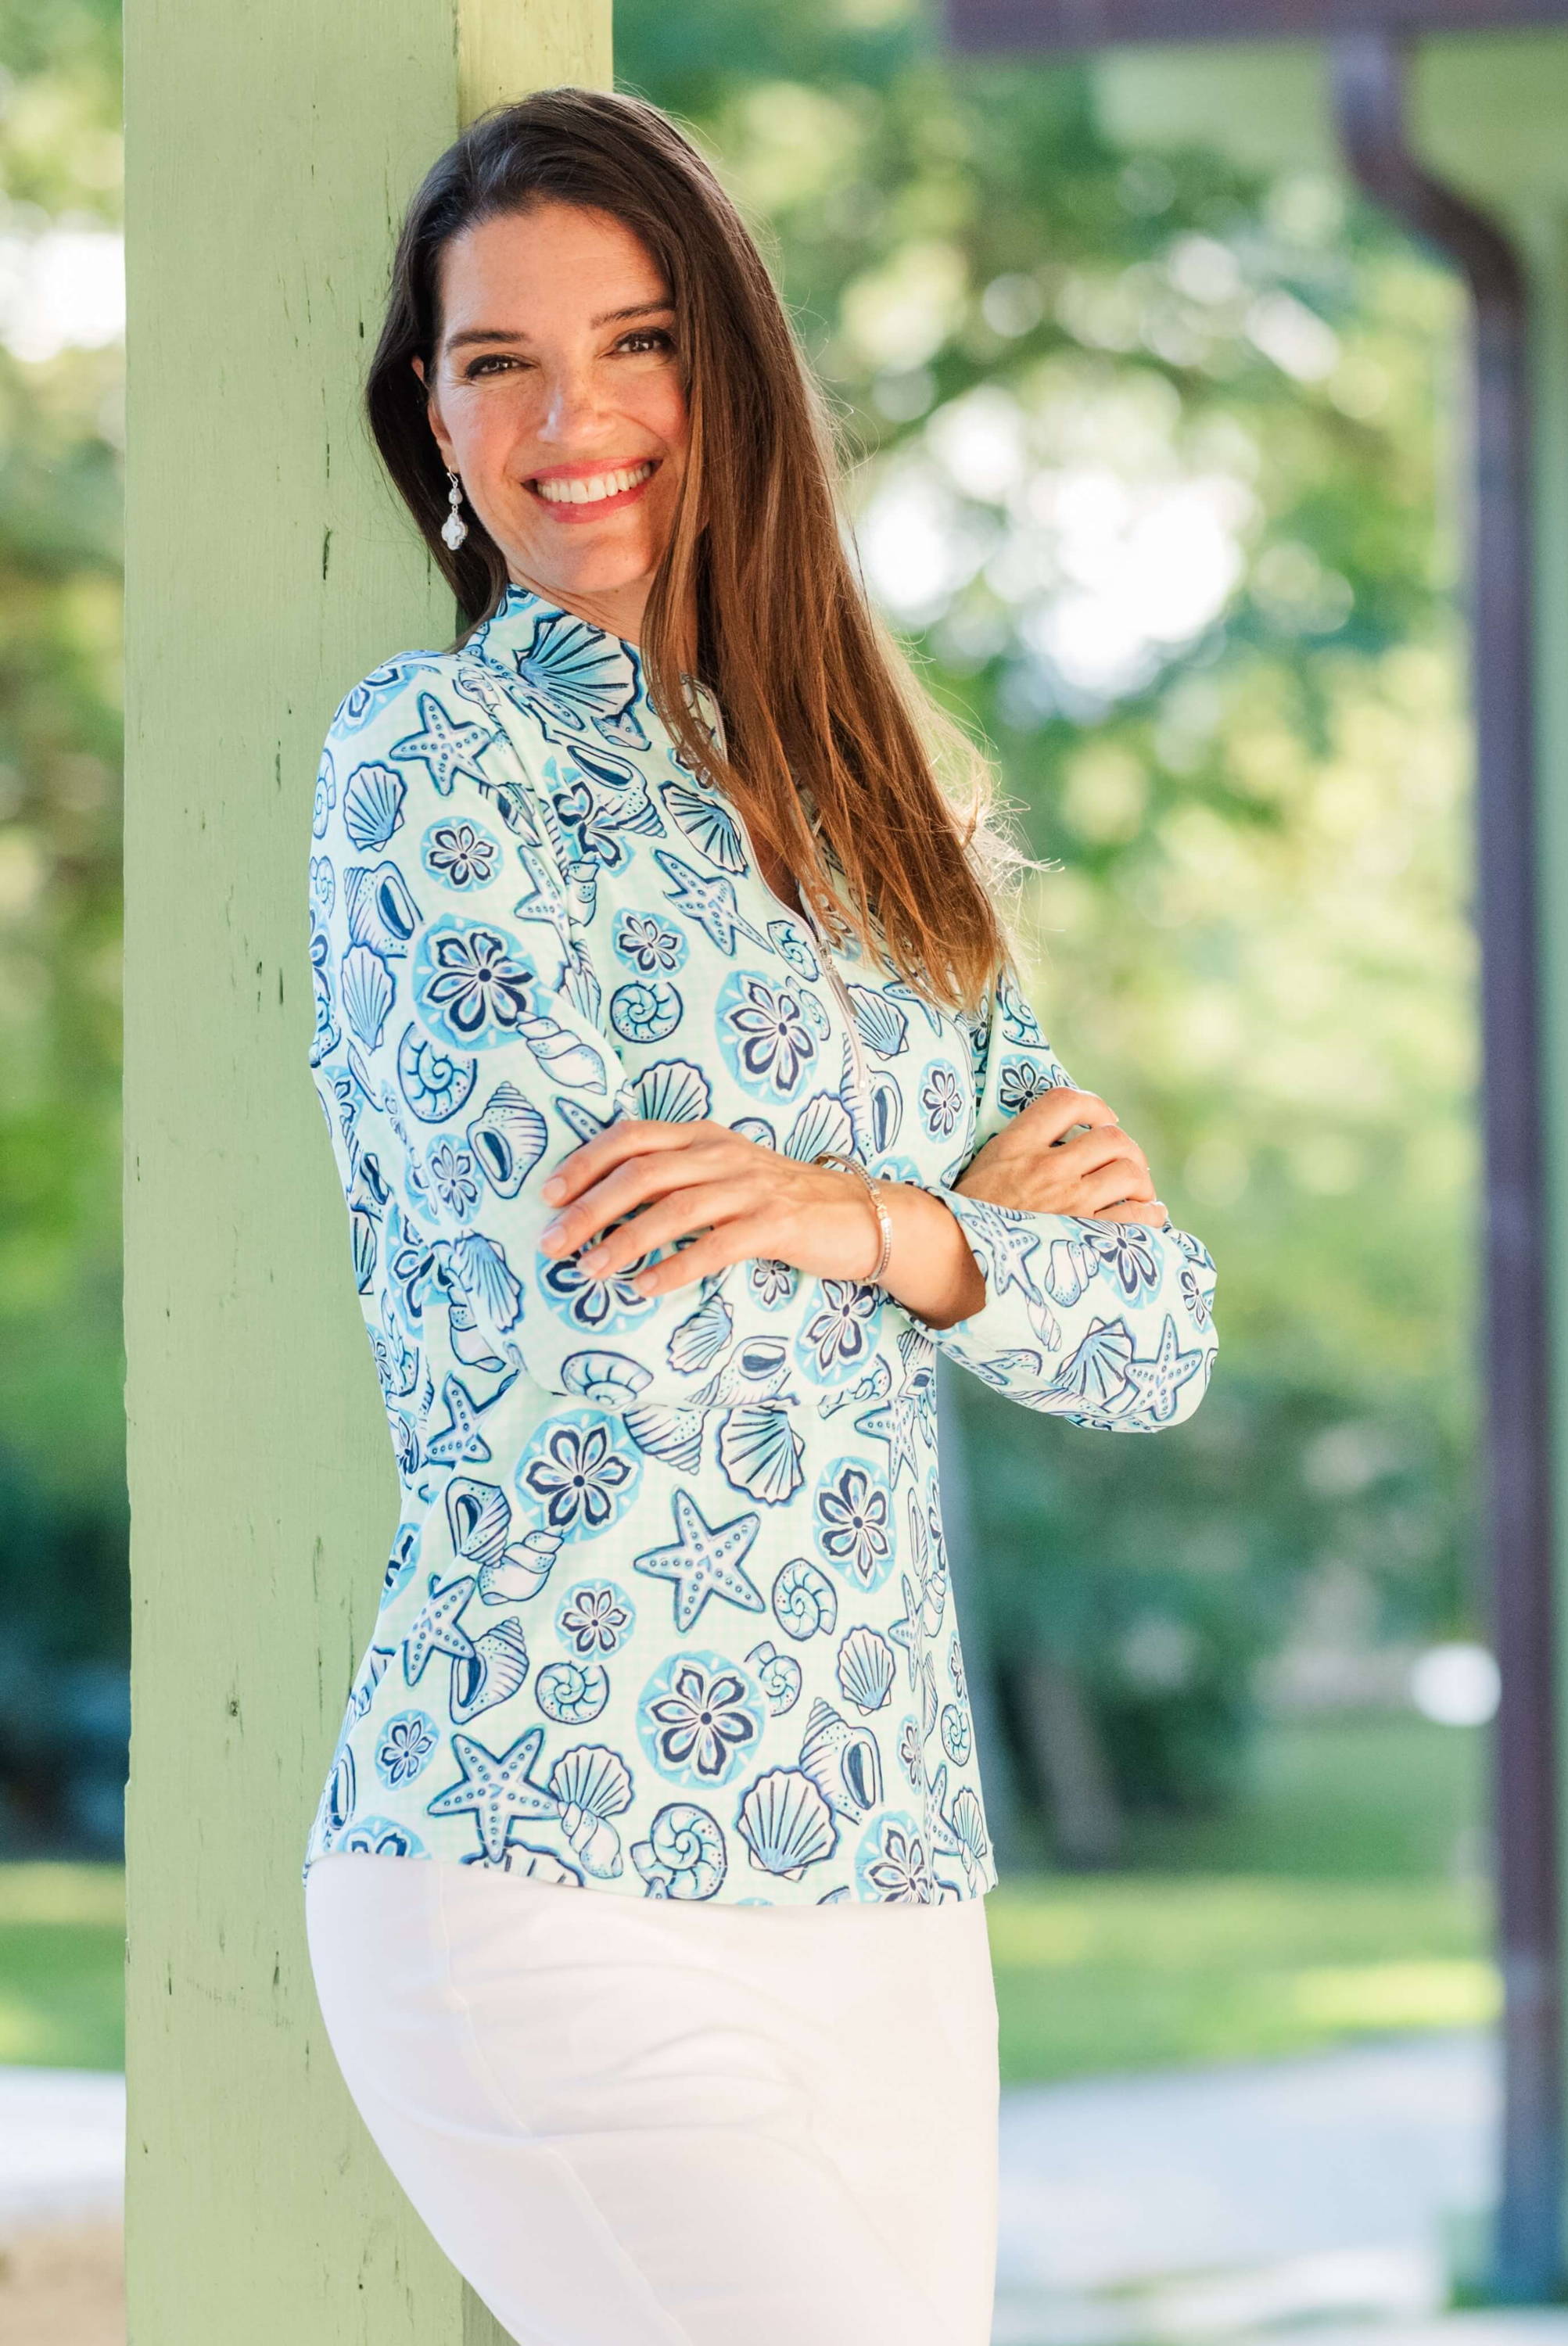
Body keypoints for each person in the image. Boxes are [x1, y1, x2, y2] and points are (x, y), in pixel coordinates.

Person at [300, 84, 1218, 2346]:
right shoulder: (435, 763)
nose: (569, 414)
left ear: (736, 379)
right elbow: (610, 1292)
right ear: (429, 414)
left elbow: (1148, 1330)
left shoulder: (877, 803)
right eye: (494, 358)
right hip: (541, 1870)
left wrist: (845, 1222)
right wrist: (955, 1235)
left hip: (887, 1874)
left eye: (634, 343)